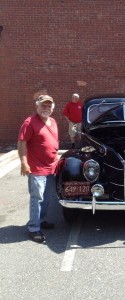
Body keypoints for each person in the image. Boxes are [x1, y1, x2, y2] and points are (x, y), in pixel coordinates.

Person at [17, 95, 59, 243]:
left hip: (51, 168)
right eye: (43, 106)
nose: (46, 108)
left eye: (49, 106)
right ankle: (34, 228)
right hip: (36, 168)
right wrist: (24, 162)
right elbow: (22, 142)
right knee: (37, 198)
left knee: (47, 198)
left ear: (53, 107)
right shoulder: (29, 122)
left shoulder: (53, 121)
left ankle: (41, 220)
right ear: (37, 106)